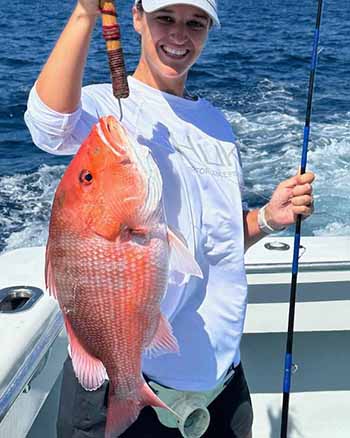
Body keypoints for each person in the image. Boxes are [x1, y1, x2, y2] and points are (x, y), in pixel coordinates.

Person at [24, 1, 315, 437]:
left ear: (208, 31)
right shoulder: (107, 107)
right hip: (127, 387)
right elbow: (49, 126)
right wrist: (86, 13)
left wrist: (266, 220)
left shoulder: (216, 125)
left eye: (194, 23)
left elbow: (214, 243)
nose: (179, 34)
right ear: (137, 18)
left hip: (223, 388)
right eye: (165, 18)